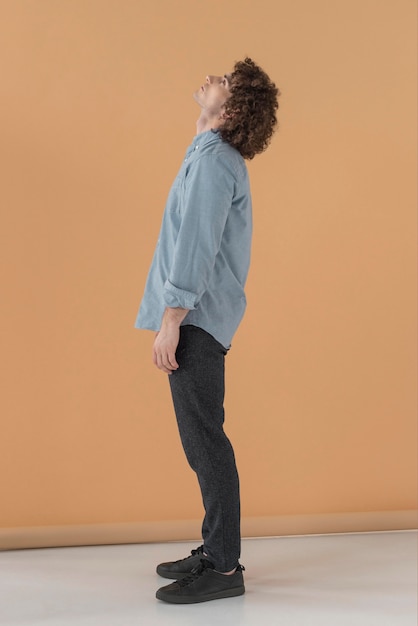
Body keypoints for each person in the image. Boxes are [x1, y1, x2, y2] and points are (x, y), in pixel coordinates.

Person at [134, 57, 279, 604]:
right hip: (195, 316)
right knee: (202, 439)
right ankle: (215, 549)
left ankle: (223, 567)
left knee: (205, 442)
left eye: (223, 80)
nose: (210, 77)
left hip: (195, 320)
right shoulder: (211, 153)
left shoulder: (218, 162)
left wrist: (172, 319)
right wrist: (203, 128)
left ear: (234, 105)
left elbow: (195, 243)